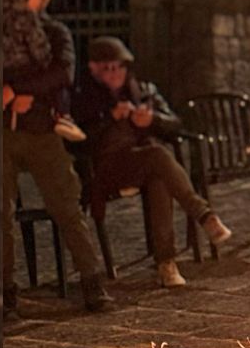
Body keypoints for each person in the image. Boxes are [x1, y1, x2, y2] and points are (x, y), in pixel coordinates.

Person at [74, 37, 230, 288]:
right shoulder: (85, 98)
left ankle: (166, 263)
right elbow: (79, 140)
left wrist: (153, 120)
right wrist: (109, 118)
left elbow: (175, 123)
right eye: (108, 68)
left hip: (142, 163)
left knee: (158, 178)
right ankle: (203, 213)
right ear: (94, 69)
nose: (115, 74)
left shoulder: (143, 91)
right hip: (106, 170)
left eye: (119, 67)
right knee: (157, 156)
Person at [2, 0, 106, 313]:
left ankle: (92, 281)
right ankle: (4, 292)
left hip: (40, 131)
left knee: (65, 204)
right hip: (2, 131)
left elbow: (61, 74)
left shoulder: (53, 33)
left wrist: (18, 90)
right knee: (0, 215)